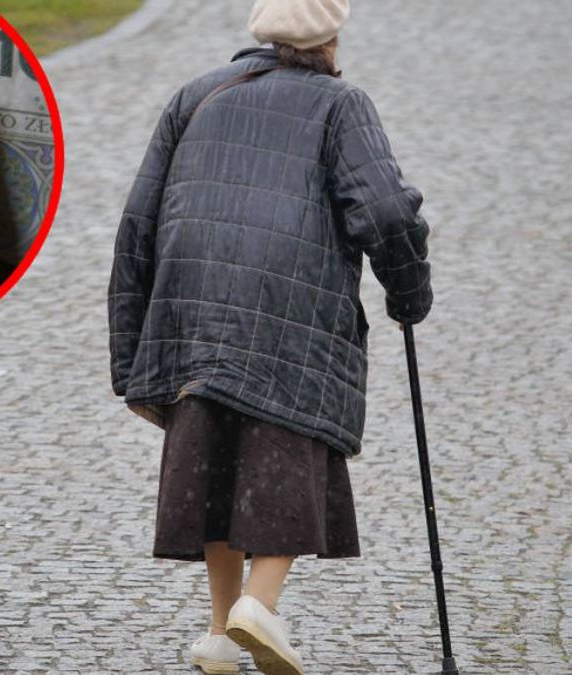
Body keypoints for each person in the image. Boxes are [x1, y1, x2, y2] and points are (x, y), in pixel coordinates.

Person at [107, 0, 432, 672]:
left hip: (191, 303)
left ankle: (222, 633)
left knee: (214, 451)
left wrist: (131, 354)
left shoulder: (195, 96)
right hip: (293, 302)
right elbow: (386, 211)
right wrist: (409, 294)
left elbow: (138, 222)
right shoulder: (341, 104)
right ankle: (258, 604)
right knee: (287, 440)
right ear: (332, 36)